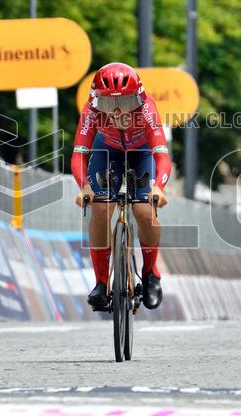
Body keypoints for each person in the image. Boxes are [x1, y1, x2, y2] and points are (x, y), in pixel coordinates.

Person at [72, 62, 170, 312]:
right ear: (97, 100)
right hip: (108, 152)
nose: (116, 110)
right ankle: (101, 282)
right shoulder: (91, 111)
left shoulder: (147, 109)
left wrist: (159, 188)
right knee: (100, 207)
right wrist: (84, 187)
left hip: (141, 153)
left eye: (125, 102)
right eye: (108, 103)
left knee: (144, 210)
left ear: (138, 98)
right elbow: (79, 154)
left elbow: (162, 155)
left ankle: (150, 272)